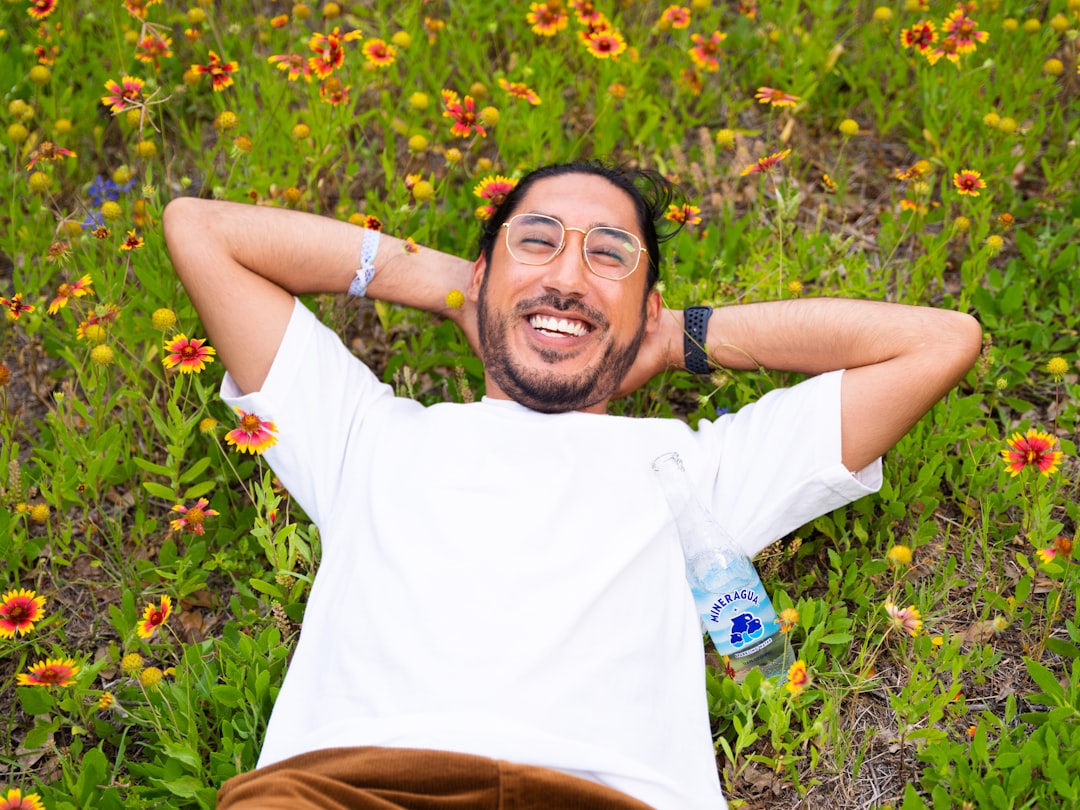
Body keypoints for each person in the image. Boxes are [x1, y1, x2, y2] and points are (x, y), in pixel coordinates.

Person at [163, 160, 982, 810]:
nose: (569, 275)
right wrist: (461, 288)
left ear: (648, 307)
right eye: (539, 240)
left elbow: (937, 342)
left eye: (609, 255)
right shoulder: (366, 433)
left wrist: (677, 339)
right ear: (482, 274)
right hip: (349, 791)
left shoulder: (699, 468)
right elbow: (201, 229)